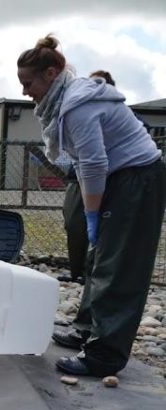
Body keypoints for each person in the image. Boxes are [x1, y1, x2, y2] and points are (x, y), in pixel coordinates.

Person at [17, 35, 165, 377]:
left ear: (51, 73)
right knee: (98, 255)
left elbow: (94, 164)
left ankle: (104, 355)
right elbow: (84, 163)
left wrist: (94, 213)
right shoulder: (61, 102)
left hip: (136, 179)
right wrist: (92, 213)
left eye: (28, 83)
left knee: (119, 265)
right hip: (120, 176)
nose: (26, 92)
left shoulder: (76, 106)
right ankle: (87, 328)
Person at [60, 70, 118, 282]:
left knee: (104, 231)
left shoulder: (113, 113)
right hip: (78, 180)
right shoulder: (78, 109)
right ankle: (78, 271)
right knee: (75, 225)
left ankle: (95, 274)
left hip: (108, 179)